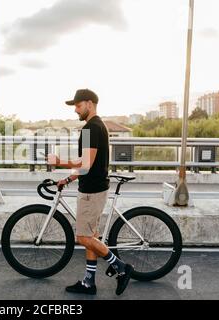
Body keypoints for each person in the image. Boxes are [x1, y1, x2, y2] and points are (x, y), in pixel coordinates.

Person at [47, 89, 133, 296]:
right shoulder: (97, 126)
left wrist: (58, 163)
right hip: (94, 187)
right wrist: (68, 178)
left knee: (84, 237)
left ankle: (120, 267)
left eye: (78, 105)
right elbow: (86, 165)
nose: (76, 110)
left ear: (89, 104)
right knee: (91, 237)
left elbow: (85, 164)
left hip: (91, 192)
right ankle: (88, 283)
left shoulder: (90, 129)